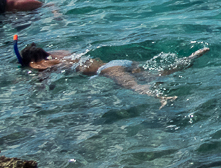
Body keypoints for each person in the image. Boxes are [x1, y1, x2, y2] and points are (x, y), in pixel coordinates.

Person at [13, 35, 209, 104]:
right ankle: (189, 59)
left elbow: (42, 75)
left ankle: (162, 98)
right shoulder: (59, 53)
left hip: (108, 70)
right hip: (118, 61)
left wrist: (38, 85)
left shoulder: (38, 64)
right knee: (156, 75)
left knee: (136, 88)